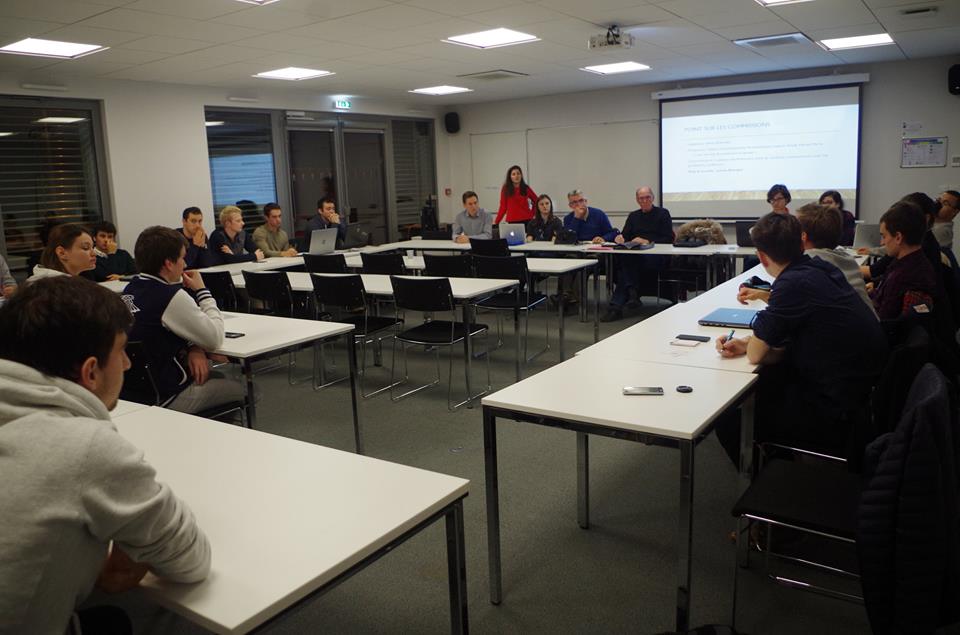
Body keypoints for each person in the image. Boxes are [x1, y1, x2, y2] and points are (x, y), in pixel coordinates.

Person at [0, 276, 211, 634]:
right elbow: (191, 560)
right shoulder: (85, 448)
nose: (128, 364)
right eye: (121, 351)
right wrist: (136, 544)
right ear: (91, 372)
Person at [715, 212, 886, 464]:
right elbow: (791, 340)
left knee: (730, 420)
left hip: (836, 405)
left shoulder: (792, 283)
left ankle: (771, 485)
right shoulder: (820, 267)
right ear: (801, 242)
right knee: (768, 378)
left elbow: (757, 355)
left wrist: (752, 344)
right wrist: (747, 342)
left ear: (762, 257)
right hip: (862, 390)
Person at [124, 226, 245, 414]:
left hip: (135, 392)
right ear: (169, 264)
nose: (185, 265)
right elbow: (214, 338)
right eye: (182, 258)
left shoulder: (132, 288)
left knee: (217, 375)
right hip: (166, 394)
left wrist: (193, 347)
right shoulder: (169, 296)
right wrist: (202, 291)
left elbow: (161, 328)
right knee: (246, 390)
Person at [739, 203, 875, 315]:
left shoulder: (811, 266)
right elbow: (797, 302)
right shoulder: (845, 258)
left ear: (802, 236)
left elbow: (789, 306)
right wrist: (763, 295)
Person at [603, 187, 673, 321]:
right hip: (635, 254)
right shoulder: (633, 216)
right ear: (637, 200)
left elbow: (668, 238)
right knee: (625, 258)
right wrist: (620, 238)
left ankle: (619, 304)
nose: (645, 200)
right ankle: (629, 294)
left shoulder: (663, 213)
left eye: (647, 197)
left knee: (627, 265)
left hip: (655, 255)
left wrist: (647, 241)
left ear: (653, 198)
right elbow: (625, 235)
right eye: (641, 198)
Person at [868, 201, 938, 320]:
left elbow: (883, 320)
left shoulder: (901, 276)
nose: (882, 242)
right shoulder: (915, 262)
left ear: (898, 238)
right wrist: (873, 292)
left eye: (884, 236)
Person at [26, 223, 97, 283]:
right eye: (86, 248)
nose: (94, 253)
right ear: (61, 253)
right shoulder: (52, 288)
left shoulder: (69, 282)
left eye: (93, 247)